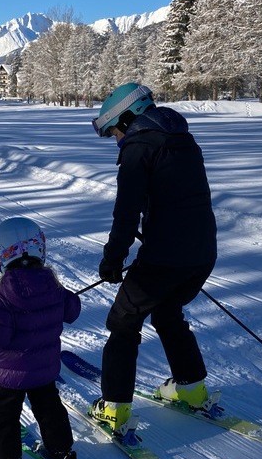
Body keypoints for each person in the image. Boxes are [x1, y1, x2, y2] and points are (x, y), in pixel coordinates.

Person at [90, 82, 218, 434]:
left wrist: (112, 260)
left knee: (123, 322)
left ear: (128, 119)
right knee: (166, 312)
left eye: (115, 130)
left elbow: (126, 214)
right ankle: (192, 389)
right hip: (202, 253)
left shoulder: (138, 147)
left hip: (165, 258)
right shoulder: (183, 140)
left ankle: (114, 409)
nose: (116, 139)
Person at [0, 217, 85, 459]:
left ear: (0, 254)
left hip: (9, 375)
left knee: (5, 415)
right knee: (49, 408)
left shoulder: (3, 294)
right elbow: (72, 311)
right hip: (45, 369)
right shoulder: (52, 284)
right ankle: (61, 451)